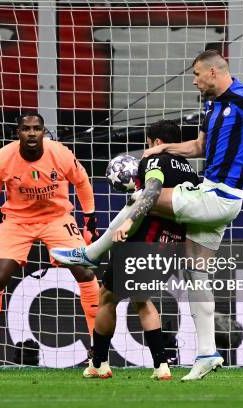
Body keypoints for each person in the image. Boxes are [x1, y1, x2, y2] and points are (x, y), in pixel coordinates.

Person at [52, 50, 243, 381]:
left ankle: (92, 253)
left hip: (219, 196)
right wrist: (161, 149)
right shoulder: (211, 108)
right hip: (213, 199)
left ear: (213, 72)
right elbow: (198, 147)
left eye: (197, 74)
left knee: (142, 196)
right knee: (197, 275)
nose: (193, 81)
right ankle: (208, 352)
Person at [0, 112, 100, 370]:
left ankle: (97, 347)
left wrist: (89, 221)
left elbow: (82, 182)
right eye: (26, 129)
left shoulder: (60, 153)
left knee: (85, 271)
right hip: (17, 220)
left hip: (57, 218)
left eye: (37, 128)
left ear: (43, 132)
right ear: (18, 133)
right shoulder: (3, 158)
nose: (32, 133)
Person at [82, 120, 200, 381]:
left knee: (107, 297)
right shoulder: (191, 172)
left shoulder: (154, 161)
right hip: (172, 247)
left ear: (157, 143)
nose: (146, 150)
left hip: (143, 242)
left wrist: (128, 220)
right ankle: (162, 366)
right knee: (140, 299)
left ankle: (99, 363)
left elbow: (152, 191)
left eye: (147, 144)